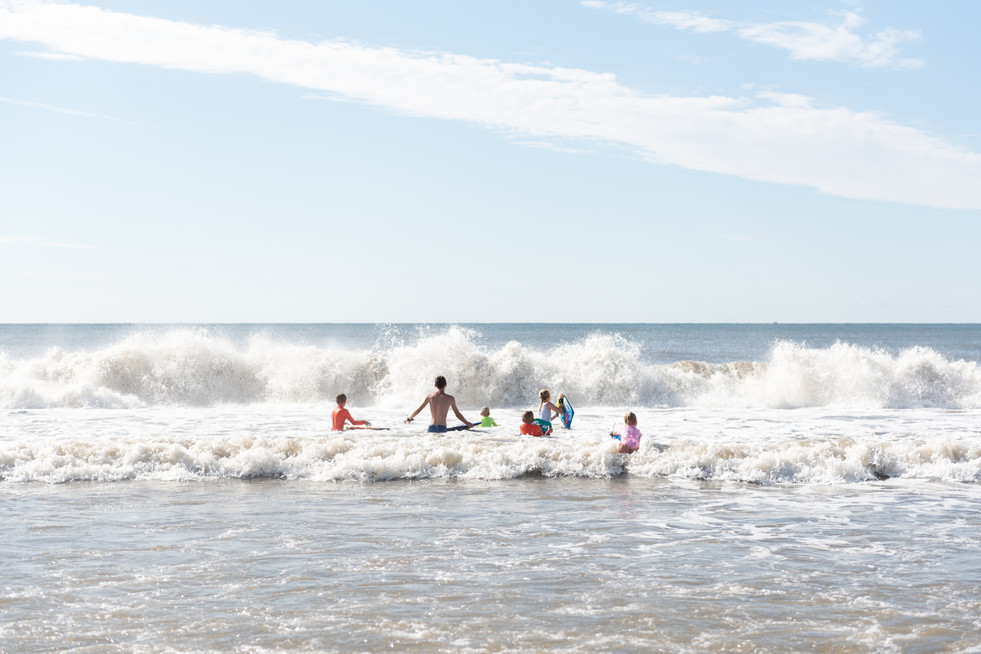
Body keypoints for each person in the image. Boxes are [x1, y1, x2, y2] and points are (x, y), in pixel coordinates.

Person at [405, 375, 473, 433]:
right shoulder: (450, 398)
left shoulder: (430, 397)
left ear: (435, 385)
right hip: (442, 428)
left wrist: (409, 419)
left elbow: (418, 410)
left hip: (431, 427)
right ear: (446, 385)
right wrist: (467, 423)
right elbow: (457, 414)